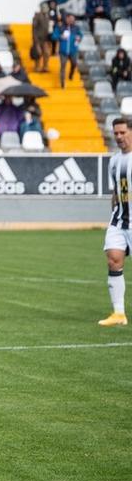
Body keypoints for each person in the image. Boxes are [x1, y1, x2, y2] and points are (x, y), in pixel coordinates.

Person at [100, 117, 132, 327]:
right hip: (119, 219)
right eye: (116, 133)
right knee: (113, 259)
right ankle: (119, 313)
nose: (119, 137)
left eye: (123, 132)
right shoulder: (114, 160)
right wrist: (114, 211)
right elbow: (115, 192)